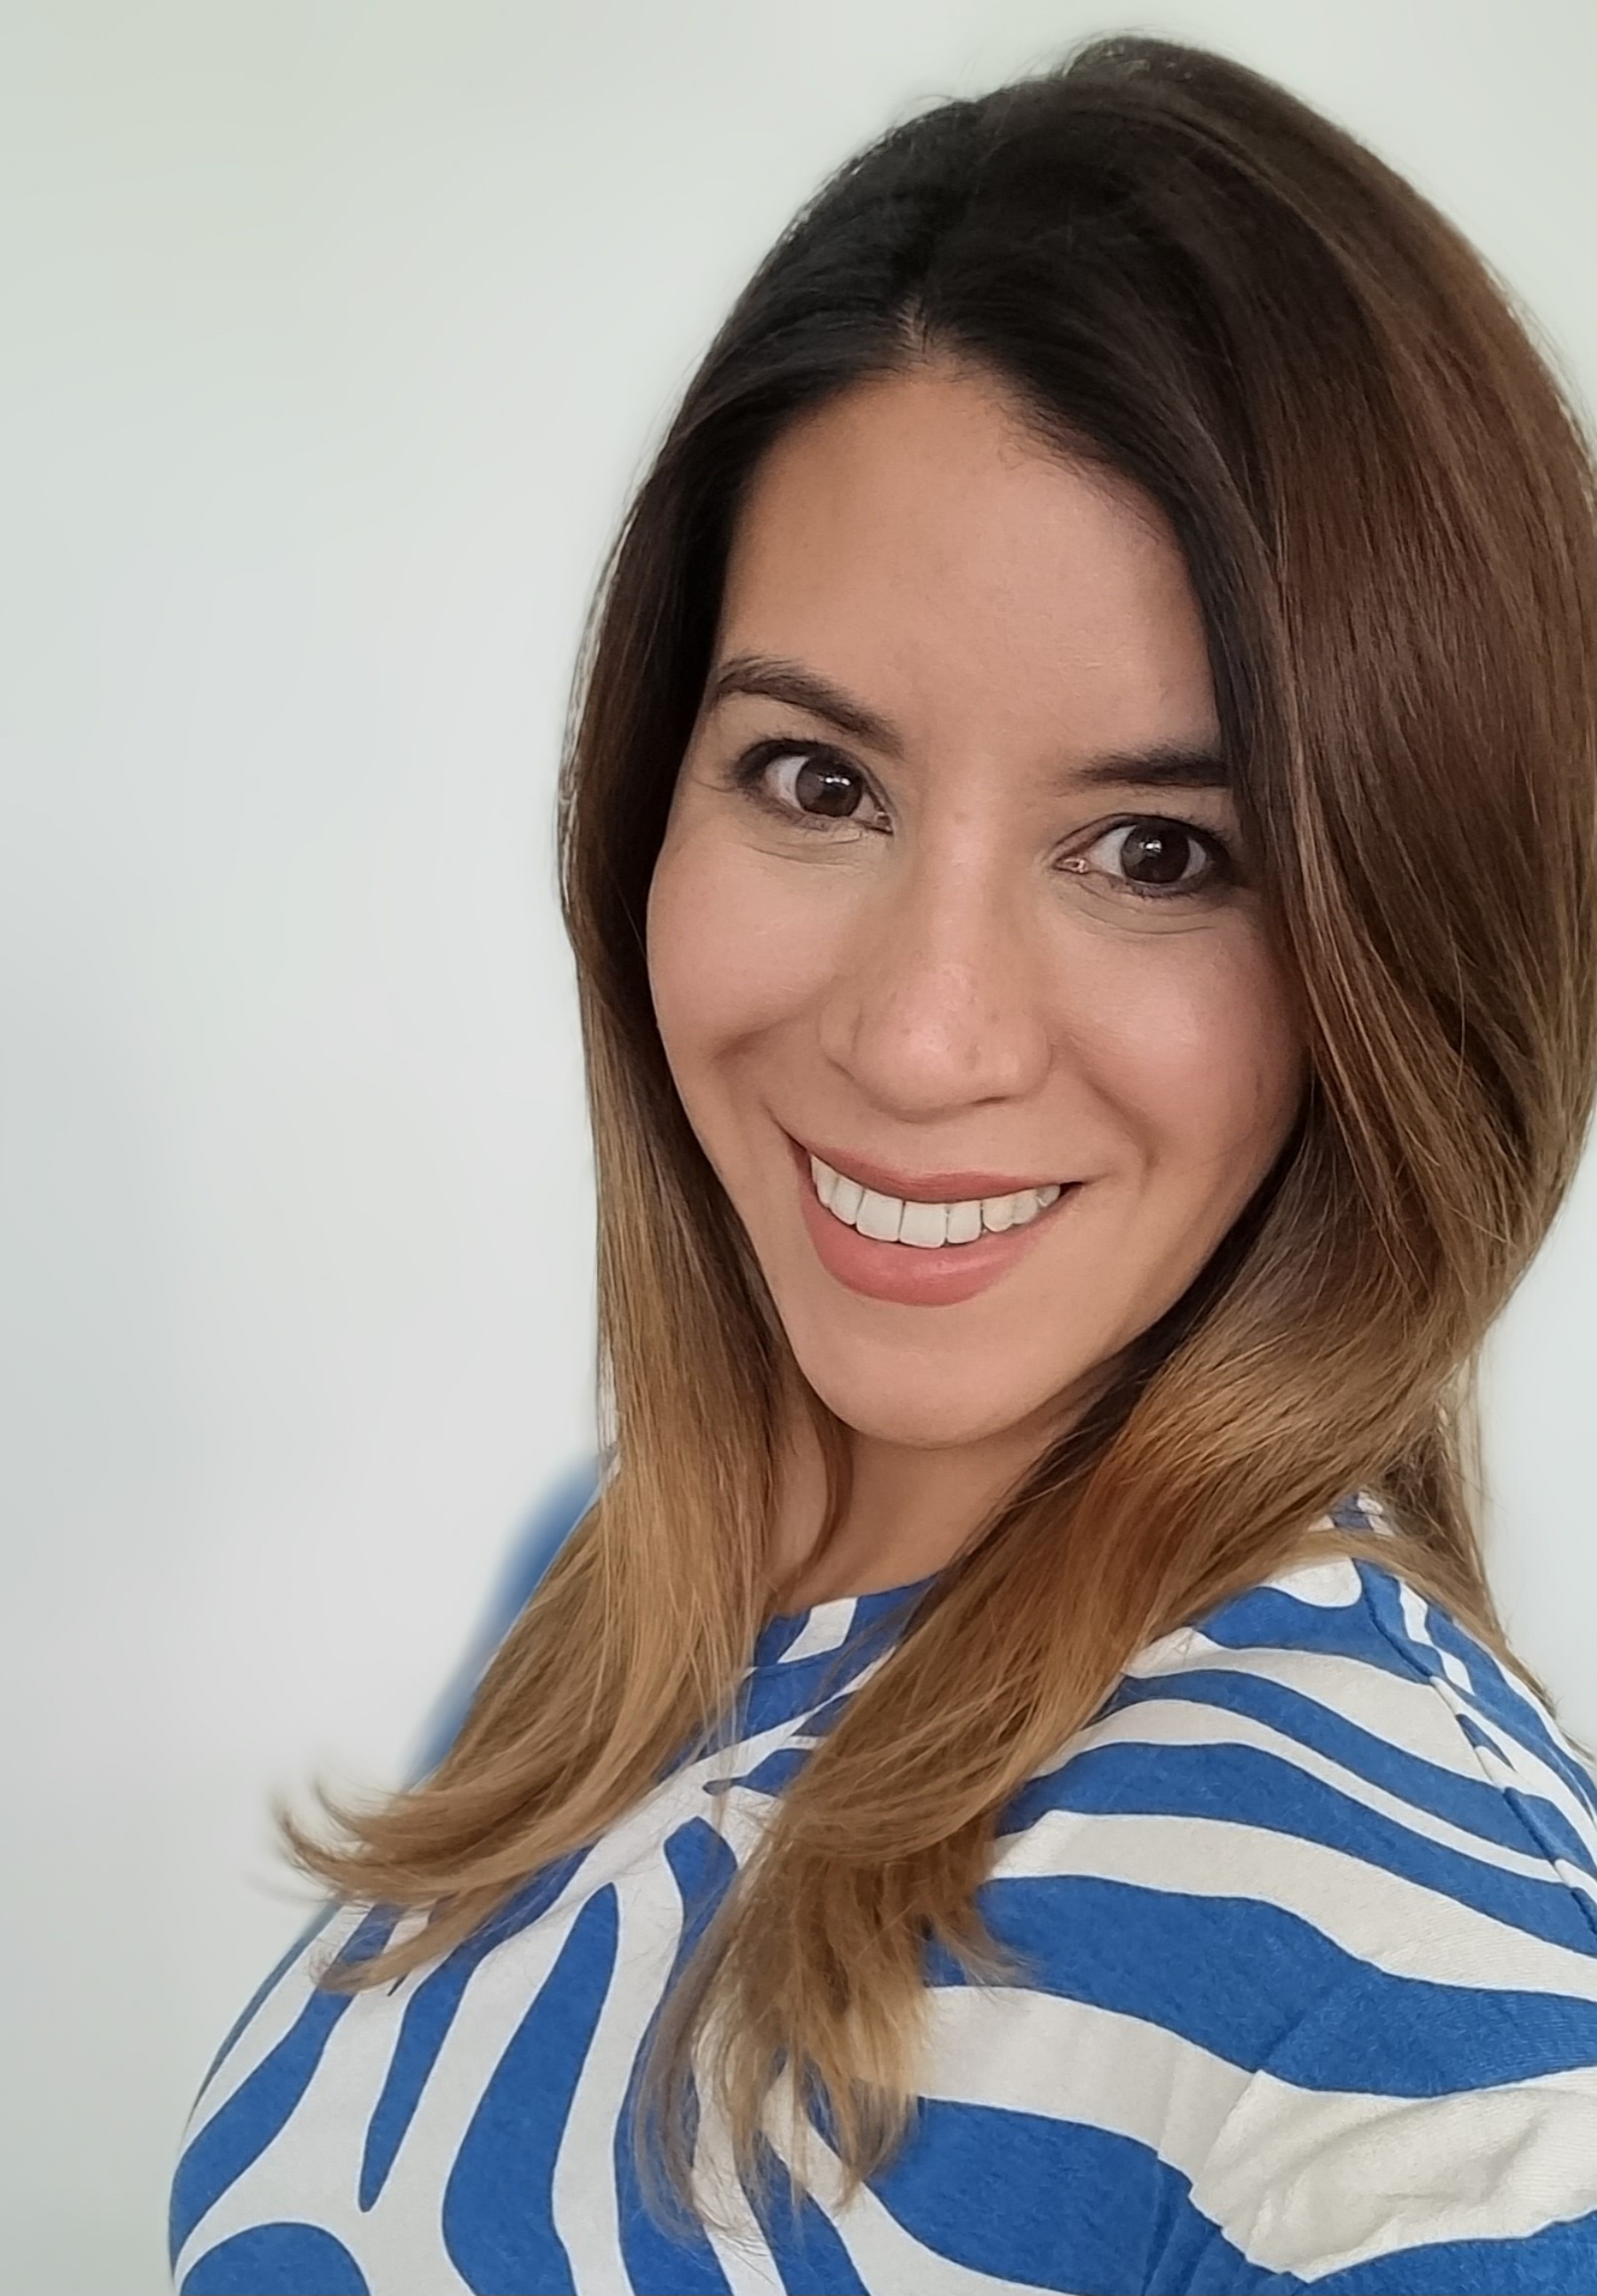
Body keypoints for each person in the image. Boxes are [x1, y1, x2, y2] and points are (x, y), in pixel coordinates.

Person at [169, 35, 1597, 2295]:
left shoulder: (1405, 2036)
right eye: (817, 782)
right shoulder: (620, 1584)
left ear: (1409, 943)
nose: (921, 1035)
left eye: (1156, 850)